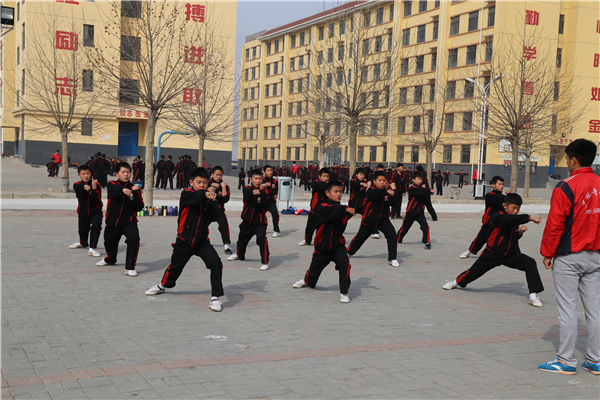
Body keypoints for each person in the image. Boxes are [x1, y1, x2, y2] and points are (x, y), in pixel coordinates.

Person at [538, 139, 600, 375]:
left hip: (569, 256)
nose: (566, 162)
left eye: (566, 158)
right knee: (594, 310)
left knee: (568, 309)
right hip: (595, 256)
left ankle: (565, 361)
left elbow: (555, 224)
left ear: (573, 159)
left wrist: (547, 253)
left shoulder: (566, 185)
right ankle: (595, 360)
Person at [145, 167, 224, 312]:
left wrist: (213, 201)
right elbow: (194, 198)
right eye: (198, 182)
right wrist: (207, 194)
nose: (201, 185)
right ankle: (162, 286)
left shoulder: (208, 196)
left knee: (215, 262)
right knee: (175, 266)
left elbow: (214, 217)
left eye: (205, 182)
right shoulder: (186, 194)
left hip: (201, 241)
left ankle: (215, 298)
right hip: (184, 240)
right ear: (191, 182)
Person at [442, 193, 544, 305]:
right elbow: (508, 220)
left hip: (509, 255)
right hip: (492, 254)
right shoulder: (496, 216)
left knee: (530, 263)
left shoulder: (514, 220)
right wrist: (529, 217)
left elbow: (512, 237)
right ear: (505, 206)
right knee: (473, 272)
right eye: (513, 208)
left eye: (518, 208)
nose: (516, 211)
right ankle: (456, 282)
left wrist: (520, 232)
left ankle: (533, 296)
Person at [292, 181, 356, 303]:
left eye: (340, 191)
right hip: (323, 246)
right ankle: (306, 280)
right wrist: (346, 209)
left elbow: (350, 209)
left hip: (337, 245)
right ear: (327, 193)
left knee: (344, 263)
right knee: (312, 277)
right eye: (335, 191)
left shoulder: (343, 208)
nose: (338, 194)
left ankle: (344, 292)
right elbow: (333, 211)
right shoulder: (322, 207)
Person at [96, 162, 144, 276]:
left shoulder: (134, 187)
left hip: (129, 222)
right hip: (113, 222)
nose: (126, 174)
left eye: (128, 172)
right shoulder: (112, 184)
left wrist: (136, 193)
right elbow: (113, 190)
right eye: (123, 172)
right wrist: (123, 190)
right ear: (117, 173)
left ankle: (130, 267)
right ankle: (110, 259)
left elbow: (139, 207)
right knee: (109, 243)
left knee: (134, 239)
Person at [347, 171, 399, 267]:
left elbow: (394, 202)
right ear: (374, 181)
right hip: (369, 219)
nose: (382, 182)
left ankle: (392, 258)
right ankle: (349, 252)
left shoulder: (387, 191)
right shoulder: (371, 190)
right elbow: (372, 195)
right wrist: (387, 191)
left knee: (392, 234)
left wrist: (394, 190)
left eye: (384, 180)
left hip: (383, 220)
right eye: (380, 180)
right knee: (360, 238)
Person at [227, 169, 270, 270]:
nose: (258, 181)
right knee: (241, 240)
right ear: (250, 179)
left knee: (262, 239)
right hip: (247, 222)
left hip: (260, 222)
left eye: (260, 178)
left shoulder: (266, 191)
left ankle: (265, 262)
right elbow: (246, 195)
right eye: (256, 178)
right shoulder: (247, 188)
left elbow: (266, 205)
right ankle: (239, 255)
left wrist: (262, 192)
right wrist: (254, 192)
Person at [459, 176, 507, 259]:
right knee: (480, 238)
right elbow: (496, 199)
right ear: (493, 185)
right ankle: (469, 251)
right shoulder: (489, 195)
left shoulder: (503, 197)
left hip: (499, 222)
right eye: (499, 184)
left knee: (501, 239)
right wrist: (507, 197)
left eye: (502, 184)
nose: (501, 186)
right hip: (488, 222)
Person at [69, 165, 103, 257]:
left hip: (96, 211)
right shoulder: (77, 184)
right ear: (79, 175)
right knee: (82, 230)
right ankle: (83, 243)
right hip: (83, 212)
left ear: (91, 174)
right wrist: (85, 188)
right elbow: (79, 191)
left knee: (96, 226)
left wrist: (94, 189)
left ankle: (92, 248)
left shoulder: (97, 184)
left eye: (87, 173)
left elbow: (97, 199)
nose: (86, 176)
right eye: (83, 174)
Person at [397, 172, 433, 249]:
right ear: (413, 180)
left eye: (421, 179)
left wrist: (427, 191)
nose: (420, 181)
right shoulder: (412, 188)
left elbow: (425, 197)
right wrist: (428, 190)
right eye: (418, 179)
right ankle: (397, 239)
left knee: (425, 225)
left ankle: (427, 241)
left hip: (419, 212)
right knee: (404, 228)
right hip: (410, 212)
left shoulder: (423, 189)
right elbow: (419, 191)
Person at [299, 168, 329, 246]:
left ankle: (321, 242)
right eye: (324, 176)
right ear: (319, 176)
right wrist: (330, 185)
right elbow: (317, 186)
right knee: (310, 227)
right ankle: (307, 240)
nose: (326, 178)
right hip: (314, 209)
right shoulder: (316, 183)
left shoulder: (329, 186)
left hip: (324, 211)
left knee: (322, 228)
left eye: (327, 176)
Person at [209, 166, 232, 255]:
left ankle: (226, 246)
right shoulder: (207, 183)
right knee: (200, 225)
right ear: (212, 174)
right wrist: (210, 186)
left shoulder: (225, 186)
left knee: (224, 225)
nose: (219, 177)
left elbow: (225, 199)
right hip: (208, 210)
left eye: (220, 175)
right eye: (217, 175)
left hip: (219, 210)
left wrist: (223, 187)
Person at [262, 165, 281, 238]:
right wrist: (264, 185)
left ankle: (276, 230)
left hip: (271, 202)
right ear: (264, 172)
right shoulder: (262, 180)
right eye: (268, 171)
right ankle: (262, 229)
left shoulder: (275, 181)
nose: (270, 172)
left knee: (275, 214)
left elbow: (276, 190)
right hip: (263, 202)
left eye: (271, 170)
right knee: (261, 216)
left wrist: (276, 194)